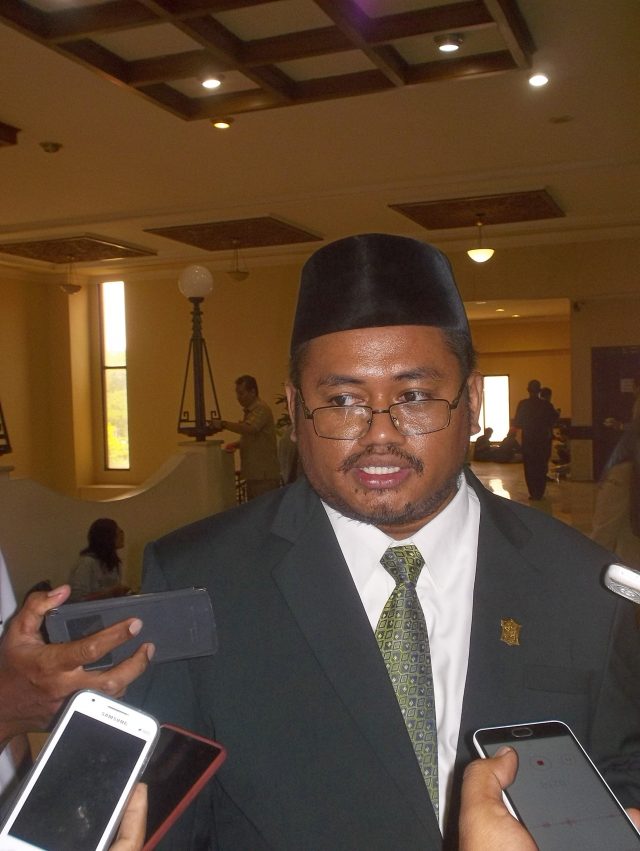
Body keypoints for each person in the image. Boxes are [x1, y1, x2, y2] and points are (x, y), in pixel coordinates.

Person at [128, 234, 640, 849]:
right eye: (342, 400)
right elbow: (162, 820)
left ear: (473, 401)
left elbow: (620, 775)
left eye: (415, 396)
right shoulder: (198, 579)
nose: (379, 435)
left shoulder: (583, 584)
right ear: (295, 408)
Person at [212, 375, 281, 500]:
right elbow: (255, 438)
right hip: (254, 474)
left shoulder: (261, 408)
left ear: (253, 392)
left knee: (263, 509)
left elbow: (250, 429)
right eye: (237, 393)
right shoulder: (251, 411)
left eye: (241, 393)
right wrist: (237, 444)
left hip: (263, 475)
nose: (238, 397)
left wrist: (224, 424)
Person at [591, 417, 640, 568]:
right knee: (620, 535)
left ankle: (593, 572)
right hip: (628, 473)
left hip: (626, 473)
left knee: (618, 534)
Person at [514, 379, 559, 500]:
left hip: (528, 439)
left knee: (530, 467)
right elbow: (553, 420)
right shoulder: (546, 405)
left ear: (528, 391)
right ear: (539, 391)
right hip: (543, 440)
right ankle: (539, 492)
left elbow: (518, 423)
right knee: (541, 466)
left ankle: (533, 492)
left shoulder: (523, 404)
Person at [69, 518, 130, 602]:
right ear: (107, 537)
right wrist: (110, 593)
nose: (122, 535)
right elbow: (76, 598)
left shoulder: (114, 564)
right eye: (119, 532)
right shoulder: (87, 562)